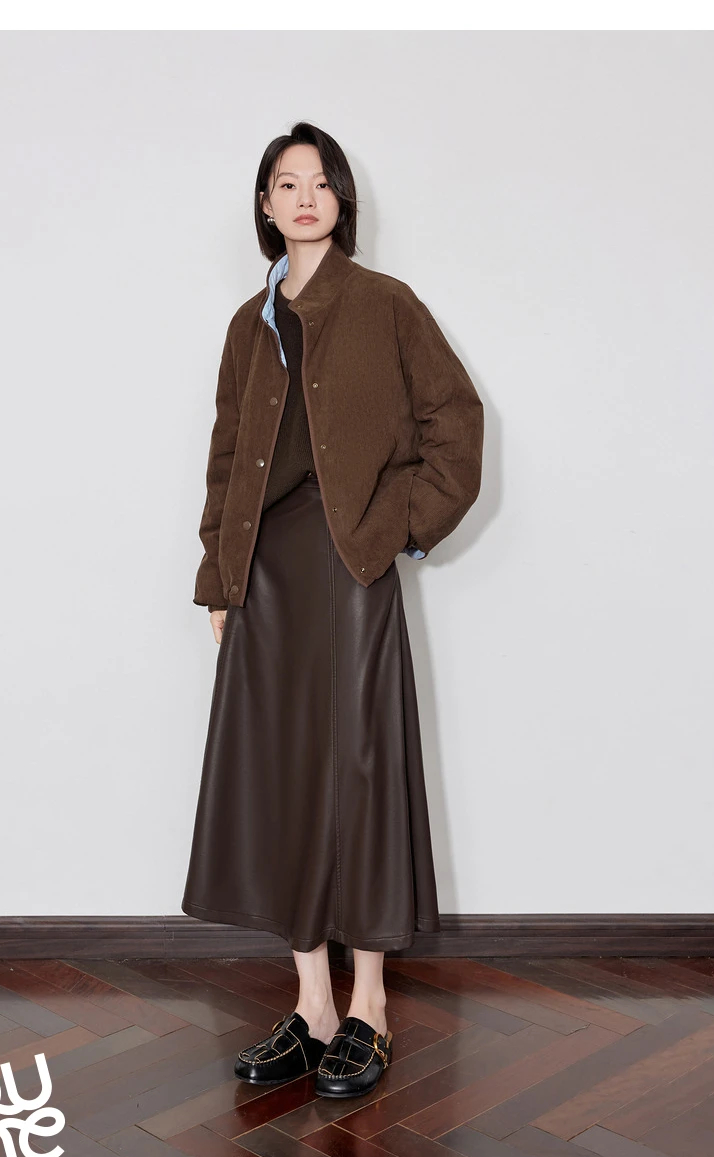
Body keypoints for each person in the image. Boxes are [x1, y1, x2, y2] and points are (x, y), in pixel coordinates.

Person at [181, 121, 484, 1098]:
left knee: (359, 768)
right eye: (286, 183)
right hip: (263, 575)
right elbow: (227, 458)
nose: (304, 196)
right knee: (282, 775)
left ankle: (370, 1007)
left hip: (348, 564)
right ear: (265, 205)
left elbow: (456, 422)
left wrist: (397, 527)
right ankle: (312, 1005)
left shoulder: (386, 304)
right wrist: (219, 577)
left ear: (341, 199)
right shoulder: (247, 324)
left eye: (319, 181)